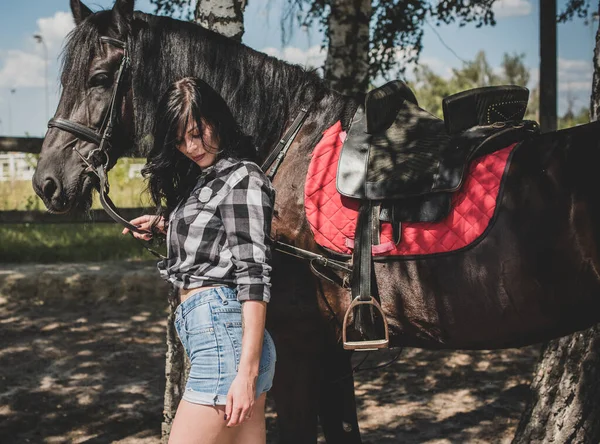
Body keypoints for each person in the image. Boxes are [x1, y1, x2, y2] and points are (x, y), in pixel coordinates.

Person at [122, 77, 276, 444]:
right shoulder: (210, 179)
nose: (190, 147)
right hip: (223, 340)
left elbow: (253, 275)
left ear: (217, 118)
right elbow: (217, 239)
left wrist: (246, 374)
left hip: (227, 343)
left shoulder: (242, 177)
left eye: (196, 132)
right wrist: (166, 225)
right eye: (179, 139)